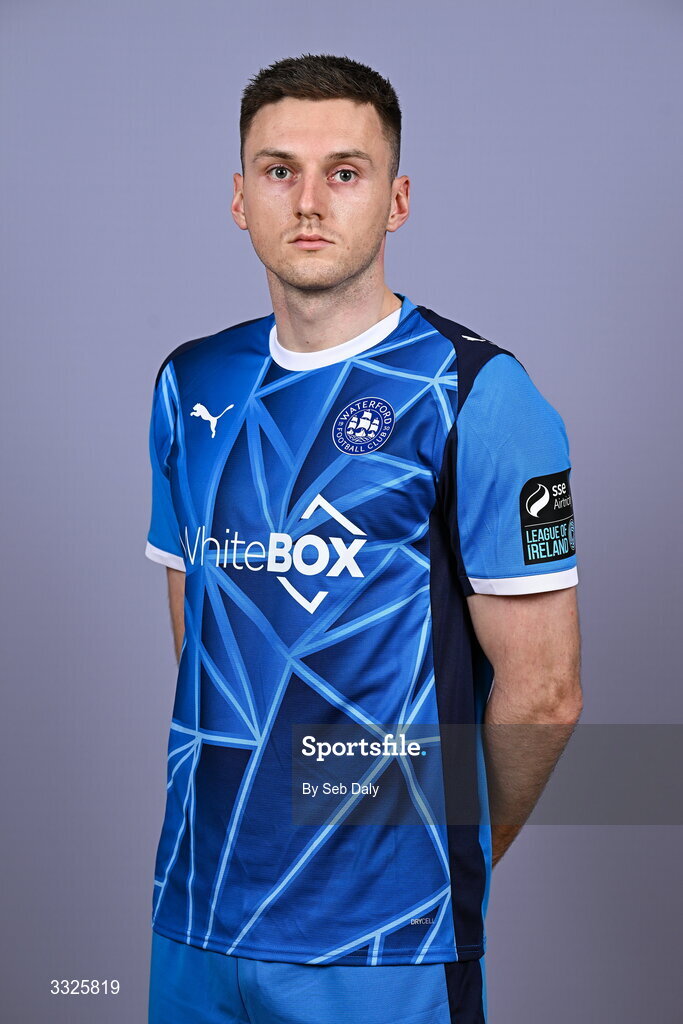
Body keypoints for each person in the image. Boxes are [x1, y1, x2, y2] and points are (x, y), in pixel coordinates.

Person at [144, 52, 582, 1024]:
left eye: (344, 172)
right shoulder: (189, 384)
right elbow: (204, 641)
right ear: (238, 198)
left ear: (397, 199)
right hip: (194, 918)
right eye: (278, 171)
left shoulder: (477, 393)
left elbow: (545, 694)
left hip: (381, 944)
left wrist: (443, 853)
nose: (308, 202)